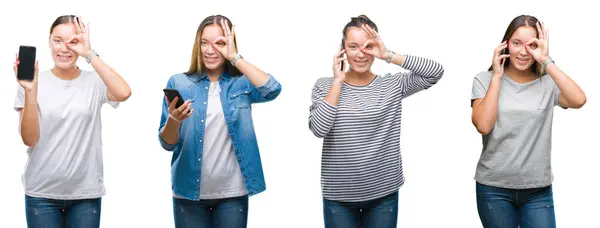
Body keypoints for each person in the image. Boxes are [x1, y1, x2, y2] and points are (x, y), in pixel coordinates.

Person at [308, 15, 444, 228]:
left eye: (368, 46)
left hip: (383, 192)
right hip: (339, 195)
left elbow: (435, 72)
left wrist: (388, 54)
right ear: (342, 50)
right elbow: (319, 129)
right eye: (353, 46)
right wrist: (337, 82)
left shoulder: (392, 85)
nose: (361, 54)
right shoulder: (324, 86)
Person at [157, 15, 282, 228]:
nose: (210, 50)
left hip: (232, 193)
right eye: (204, 42)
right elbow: (167, 143)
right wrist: (174, 120)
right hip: (188, 193)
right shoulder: (179, 82)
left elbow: (272, 89)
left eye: (219, 43)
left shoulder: (242, 82)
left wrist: (235, 57)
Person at [13, 15, 132, 228]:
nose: (64, 48)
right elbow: (29, 139)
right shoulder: (31, 81)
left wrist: (89, 54)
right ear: (49, 42)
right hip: (41, 193)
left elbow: (124, 92)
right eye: (58, 40)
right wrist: (30, 91)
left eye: (73, 42)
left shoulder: (94, 81)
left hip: (85, 194)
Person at [470, 15, 586, 228]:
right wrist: (497, 76)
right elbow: (483, 125)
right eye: (517, 43)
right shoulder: (484, 80)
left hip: (537, 190)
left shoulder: (548, 82)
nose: (524, 52)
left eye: (531, 45)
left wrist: (546, 61)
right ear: (506, 44)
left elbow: (579, 100)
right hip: (494, 189)